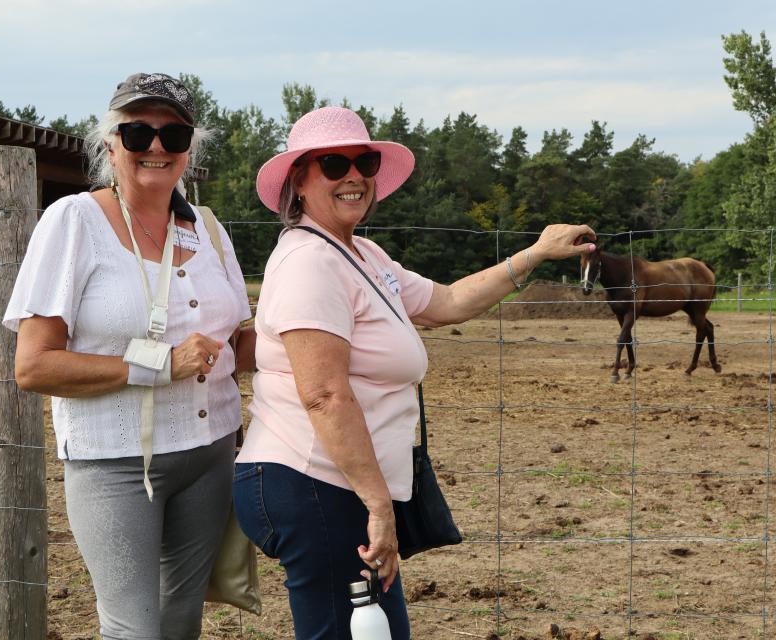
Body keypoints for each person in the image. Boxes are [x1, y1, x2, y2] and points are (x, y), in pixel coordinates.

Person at [233, 105, 596, 639]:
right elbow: (325, 396)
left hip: (338, 484)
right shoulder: (310, 262)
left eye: (365, 161)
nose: (354, 175)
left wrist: (534, 255)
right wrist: (378, 505)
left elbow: (447, 301)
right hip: (313, 482)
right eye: (333, 164)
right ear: (299, 181)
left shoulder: (362, 254)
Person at [4, 73, 253, 640]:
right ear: (110, 145)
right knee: (134, 630)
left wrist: (335, 327)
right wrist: (160, 364)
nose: (157, 147)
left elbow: (239, 346)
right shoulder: (74, 222)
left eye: (174, 134)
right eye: (137, 133)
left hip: (210, 453)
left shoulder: (209, 230)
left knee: (179, 619)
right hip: (114, 462)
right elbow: (34, 365)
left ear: (191, 147)